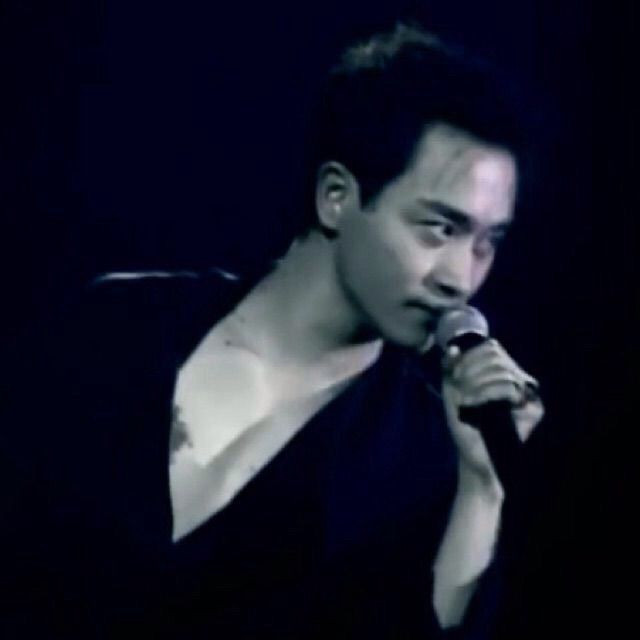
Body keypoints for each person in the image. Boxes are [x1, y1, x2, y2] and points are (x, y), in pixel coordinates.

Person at [4, 22, 544, 639]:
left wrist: (482, 491)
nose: (461, 278)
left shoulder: (426, 460)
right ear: (336, 196)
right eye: (440, 229)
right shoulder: (121, 323)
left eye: (487, 243)